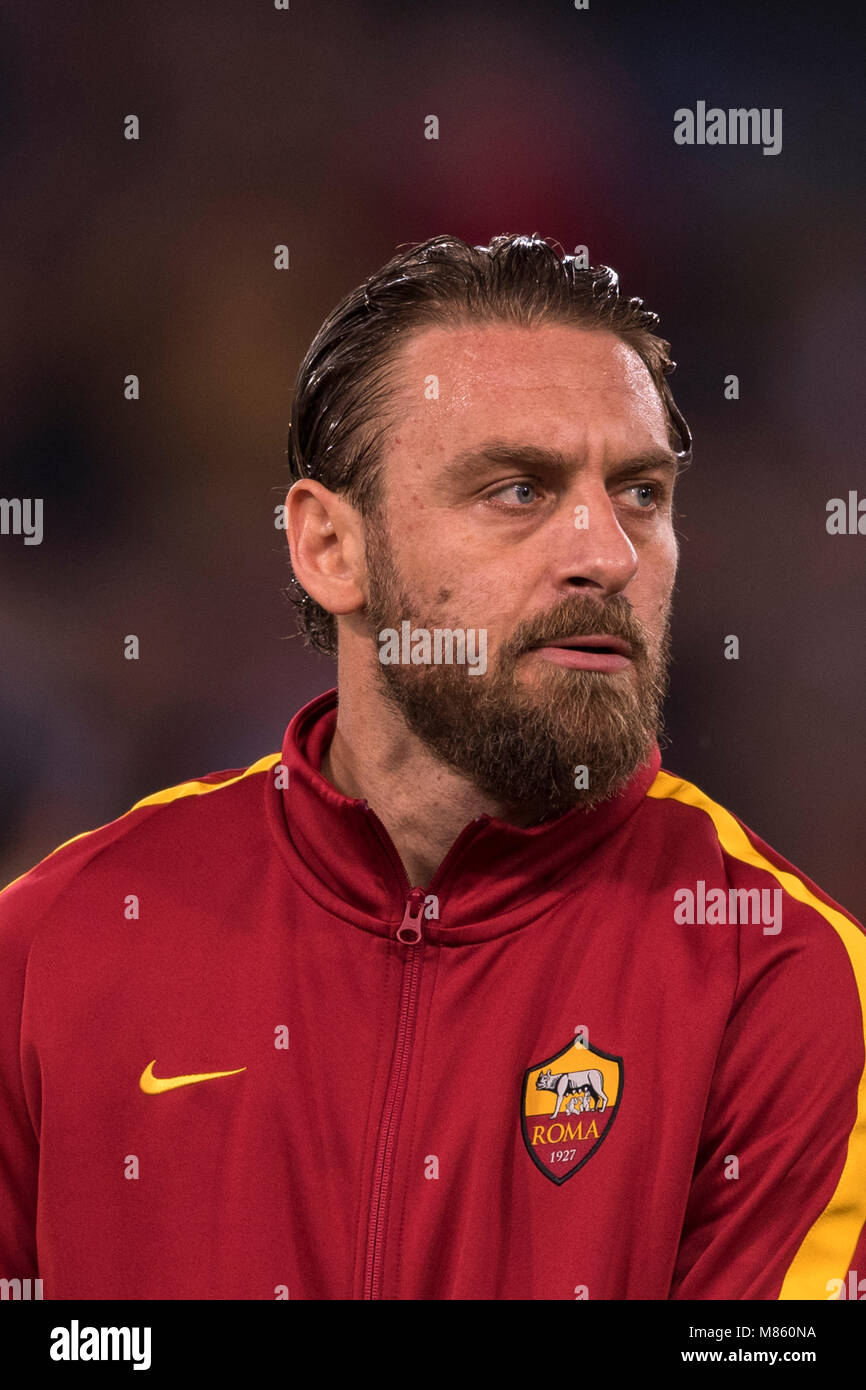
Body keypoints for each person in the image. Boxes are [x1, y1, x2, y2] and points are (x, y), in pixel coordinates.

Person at [1, 234, 863, 1301]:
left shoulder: (782, 977)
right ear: (329, 549)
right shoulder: (58, 943)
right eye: (516, 489)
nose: (607, 551)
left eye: (639, 492)